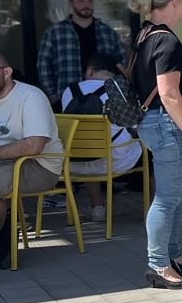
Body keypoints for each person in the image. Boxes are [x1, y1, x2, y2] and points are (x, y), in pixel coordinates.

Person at [129, 0, 182, 288]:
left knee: (179, 194)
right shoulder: (166, 41)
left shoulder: (144, 34)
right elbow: (169, 94)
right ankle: (158, 264)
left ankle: (173, 254)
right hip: (167, 125)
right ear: (174, 0)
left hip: (157, 123)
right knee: (168, 197)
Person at [0, 50, 65, 268]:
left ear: (7, 72)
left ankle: (2, 235)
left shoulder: (30, 97)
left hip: (40, 165)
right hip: (5, 162)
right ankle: (4, 234)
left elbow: (34, 146)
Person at [60, 54, 143, 222]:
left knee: (88, 147)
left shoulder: (69, 91)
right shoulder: (119, 90)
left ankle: (97, 207)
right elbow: (135, 125)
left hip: (74, 164)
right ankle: (155, 205)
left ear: (90, 70)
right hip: (115, 163)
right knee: (145, 144)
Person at [36, 0, 125, 107]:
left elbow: (120, 64)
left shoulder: (107, 32)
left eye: (89, 1)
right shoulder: (55, 32)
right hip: (66, 97)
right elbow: (43, 66)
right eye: (81, 1)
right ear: (71, 3)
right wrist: (52, 96)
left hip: (105, 98)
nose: (86, 5)